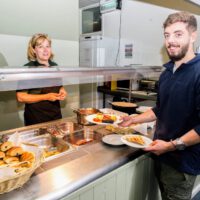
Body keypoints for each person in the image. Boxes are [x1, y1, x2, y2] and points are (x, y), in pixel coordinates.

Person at [120, 11, 200, 200]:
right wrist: (133, 119)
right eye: (167, 35)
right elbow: (161, 109)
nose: (170, 41)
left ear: (193, 35)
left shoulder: (198, 72)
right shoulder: (167, 72)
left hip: (182, 163)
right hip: (160, 152)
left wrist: (171, 146)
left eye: (178, 34)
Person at [16, 33, 67, 126]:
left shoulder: (55, 66)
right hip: (35, 119)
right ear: (34, 50)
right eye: (40, 47)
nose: (45, 50)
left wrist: (62, 91)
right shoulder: (27, 68)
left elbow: (59, 86)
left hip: (55, 117)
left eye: (48, 46)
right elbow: (21, 97)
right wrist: (46, 96)